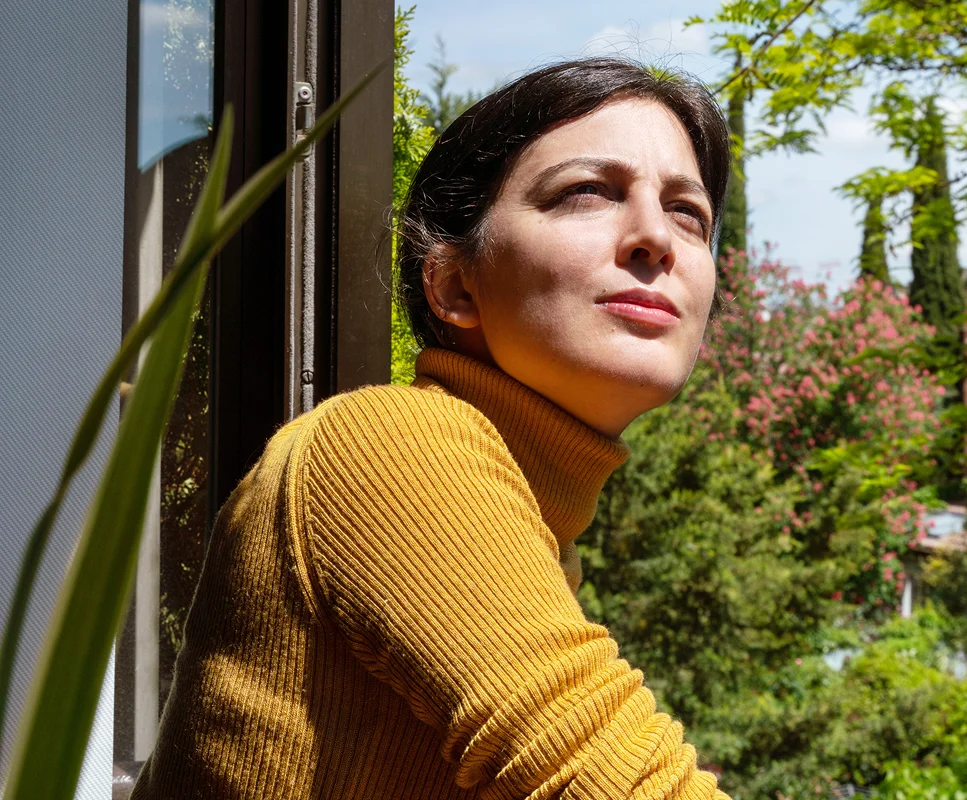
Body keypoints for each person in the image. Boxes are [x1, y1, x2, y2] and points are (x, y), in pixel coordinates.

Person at [132, 57, 731, 799]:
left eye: (687, 212)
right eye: (585, 193)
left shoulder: (535, 529)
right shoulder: (391, 444)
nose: (655, 239)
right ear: (451, 283)